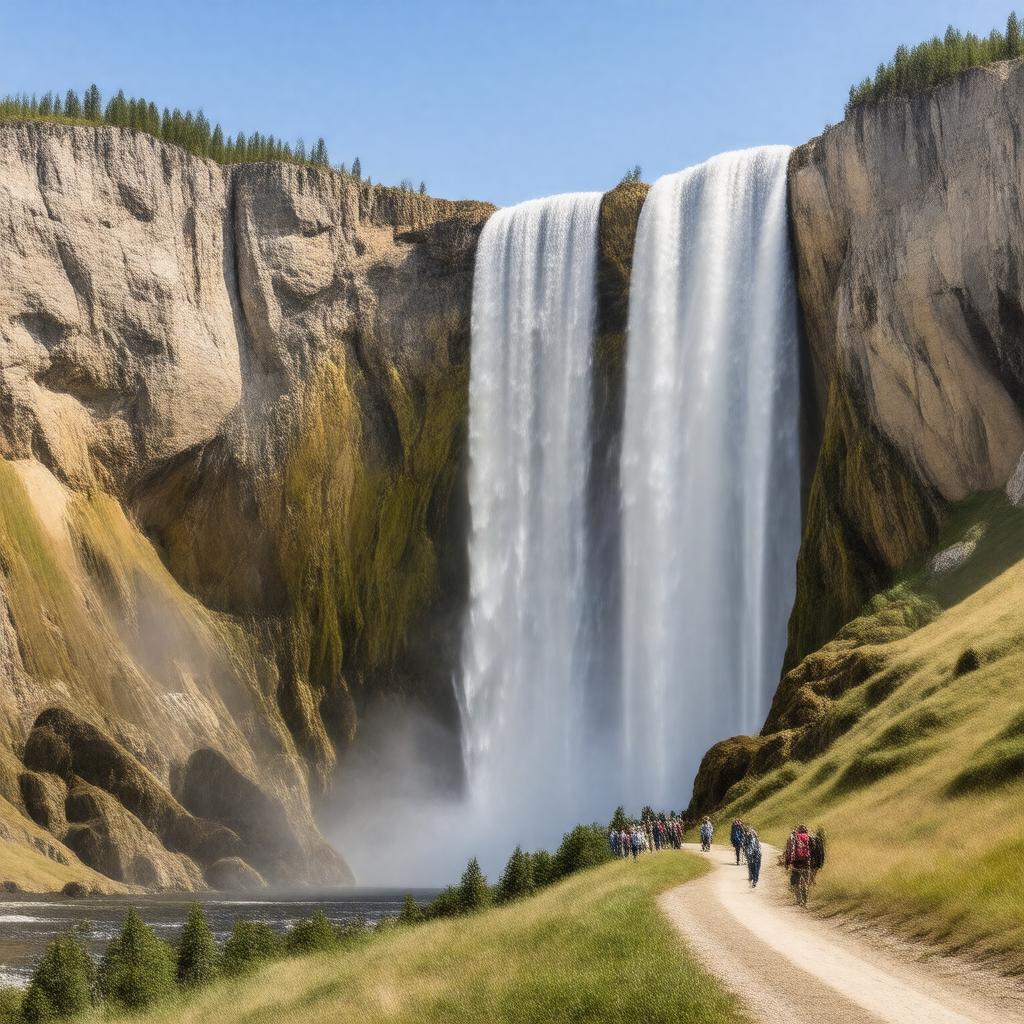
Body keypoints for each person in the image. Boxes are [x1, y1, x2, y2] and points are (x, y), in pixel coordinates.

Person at [784, 823, 813, 906]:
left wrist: (787, 863)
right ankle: (805, 900)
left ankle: (799, 900)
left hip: (795, 864)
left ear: (798, 830)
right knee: (805, 882)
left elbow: (789, 851)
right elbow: (813, 851)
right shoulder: (809, 838)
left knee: (796, 883)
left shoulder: (793, 838)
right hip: (806, 863)